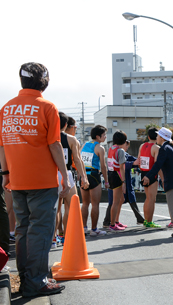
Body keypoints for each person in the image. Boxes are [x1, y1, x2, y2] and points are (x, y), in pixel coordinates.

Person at [0, 62, 67, 296]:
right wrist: (65, 176)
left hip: (16, 180)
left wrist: (6, 174)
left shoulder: (6, 108)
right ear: (44, 81)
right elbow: (55, 144)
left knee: (22, 229)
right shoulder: (47, 107)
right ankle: (36, 282)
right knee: (40, 231)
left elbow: (2, 145)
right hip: (42, 181)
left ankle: (26, 278)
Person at [142, 128, 173, 238]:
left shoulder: (164, 148)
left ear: (162, 137)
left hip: (172, 181)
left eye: (158, 135)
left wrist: (148, 176)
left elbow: (158, 164)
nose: (157, 138)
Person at [55, 112, 90, 245]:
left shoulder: (47, 138)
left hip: (52, 174)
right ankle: (66, 236)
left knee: (56, 208)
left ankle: (54, 238)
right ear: (65, 125)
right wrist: (84, 177)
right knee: (70, 206)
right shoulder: (71, 139)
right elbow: (77, 159)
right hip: (67, 173)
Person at [81, 125, 109, 234]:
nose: (105, 137)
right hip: (94, 175)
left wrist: (80, 175)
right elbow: (103, 166)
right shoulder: (100, 148)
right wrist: (106, 181)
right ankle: (94, 229)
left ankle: (83, 228)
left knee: (85, 203)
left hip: (84, 175)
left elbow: (80, 161)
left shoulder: (84, 145)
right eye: (104, 135)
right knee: (95, 204)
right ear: (98, 136)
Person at [138, 127, 163, 228]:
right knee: (152, 199)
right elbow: (158, 164)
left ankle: (146, 220)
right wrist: (162, 177)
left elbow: (139, 160)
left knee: (147, 198)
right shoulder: (156, 148)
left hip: (143, 172)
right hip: (152, 173)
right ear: (157, 137)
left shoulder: (142, 146)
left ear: (148, 136)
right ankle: (149, 221)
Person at [107, 130, 128, 231]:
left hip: (111, 174)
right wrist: (124, 182)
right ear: (124, 141)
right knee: (116, 201)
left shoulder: (111, 148)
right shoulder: (121, 151)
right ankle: (112, 224)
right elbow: (122, 167)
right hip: (117, 175)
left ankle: (116, 221)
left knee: (121, 200)